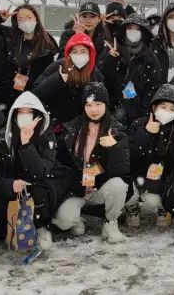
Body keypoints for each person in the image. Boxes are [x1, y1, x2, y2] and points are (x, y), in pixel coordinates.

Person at [0, 91, 70, 251]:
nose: (24, 116)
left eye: (29, 112)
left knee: (38, 194)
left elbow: (39, 173)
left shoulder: (47, 137)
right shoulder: (2, 139)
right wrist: (11, 185)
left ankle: (40, 226)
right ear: (14, 115)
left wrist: (26, 144)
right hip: (14, 187)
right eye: (20, 112)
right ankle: (12, 230)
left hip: (39, 185)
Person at [52, 83, 131, 244]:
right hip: (76, 189)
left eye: (98, 104)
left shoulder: (116, 131)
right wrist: (76, 182)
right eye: (89, 105)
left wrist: (114, 146)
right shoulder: (72, 129)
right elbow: (60, 163)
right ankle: (77, 218)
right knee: (63, 221)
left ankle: (110, 222)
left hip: (100, 188)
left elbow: (121, 170)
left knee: (119, 185)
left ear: (106, 105)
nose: (94, 109)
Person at [125, 84, 174, 227]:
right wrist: (146, 132)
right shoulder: (138, 124)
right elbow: (129, 154)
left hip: (161, 179)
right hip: (136, 175)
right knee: (126, 189)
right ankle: (131, 207)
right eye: (163, 107)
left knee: (152, 199)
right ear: (154, 107)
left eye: (172, 109)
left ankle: (164, 208)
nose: (167, 112)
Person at [99, 13, 164, 126]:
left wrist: (143, 114)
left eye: (137, 29)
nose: (133, 32)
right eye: (130, 28)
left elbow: (153, 87)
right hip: (110, 111)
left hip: (136, 115)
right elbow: (102, 78)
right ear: (124, 30)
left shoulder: (150, 58)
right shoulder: (113, 49)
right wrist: (110, 60)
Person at [32, 32, 104, 128]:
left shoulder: (94, 73)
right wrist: (58, 79)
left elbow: (101, 102)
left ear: (90, 54)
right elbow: (36, 92)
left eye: (83, 51)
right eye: (74, 52)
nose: (79, 55)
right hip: (54, 124)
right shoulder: (59, 66)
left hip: (81, 126)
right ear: (69, 54)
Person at [3, 4, 59, 107]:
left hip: (41, 94)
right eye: (21, 19)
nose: (26, 22)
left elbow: (54, 67)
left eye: (29, 17)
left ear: (36, 18)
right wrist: (0, 19)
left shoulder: (47, 40)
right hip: (14, 95)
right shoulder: (12, 39)